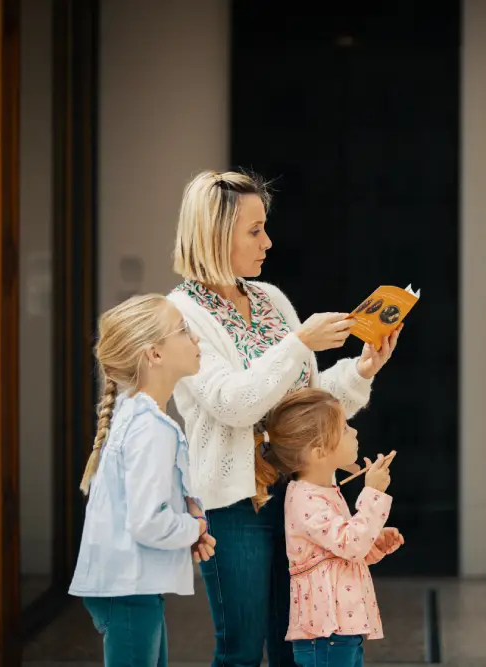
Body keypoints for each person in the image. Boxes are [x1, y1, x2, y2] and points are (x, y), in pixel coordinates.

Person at [167, 170, 402, 667]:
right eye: (254, 231)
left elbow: (306, 403)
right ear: (214, 234)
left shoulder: (270, 299)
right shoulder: (180, 314)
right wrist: (298, 344)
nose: (268, 242)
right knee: (242, 651)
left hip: (298, 496)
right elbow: (233, 404)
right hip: (235, 509)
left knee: (296, 647)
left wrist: (360, 370)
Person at [69, 294, 218, 666]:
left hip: (131, 588)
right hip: (131, 592)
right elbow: (149, 522)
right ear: (154, 354)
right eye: (183, 331)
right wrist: (195, 526)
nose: (196, 339)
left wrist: (188, 528)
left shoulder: (135, 417)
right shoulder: (150, 428)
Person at [253, 388, 402, 667]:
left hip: (340, 631)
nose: (354, 432)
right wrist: (373, 494)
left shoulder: (323, 491)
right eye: (344, 428)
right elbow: (349, 544)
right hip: (325, 635)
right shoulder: (305, 499)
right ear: (319, 452)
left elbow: (337, 555)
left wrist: (373, 543)